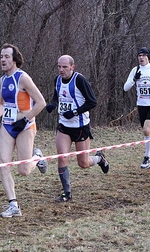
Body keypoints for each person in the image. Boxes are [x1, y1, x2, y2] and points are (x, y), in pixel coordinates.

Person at [0, 43, 48, 218]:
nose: (3, 60)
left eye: (7, 56)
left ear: (14, 59)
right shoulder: (2, 81)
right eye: (1, 56)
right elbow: (2, 103)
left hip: (25, 126)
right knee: (3, 162)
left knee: (23, 170)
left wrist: (26, 119)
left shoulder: (23, 78)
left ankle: (37, 157)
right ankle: (13, 204)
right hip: (7, 126)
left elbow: (41, 102)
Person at [45, 55, 109, 202]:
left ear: (72, 67)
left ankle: (99, 158)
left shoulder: (80, 80)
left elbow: (92, 102)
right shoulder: (57, 80)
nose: (61, 70)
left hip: (80, 126)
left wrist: (73, 112)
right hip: (64, 126)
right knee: (62, 157)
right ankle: (66, 193)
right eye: (59, 67)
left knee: (83, 163)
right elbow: (57, 96)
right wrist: (53, 104)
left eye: (65, 67)